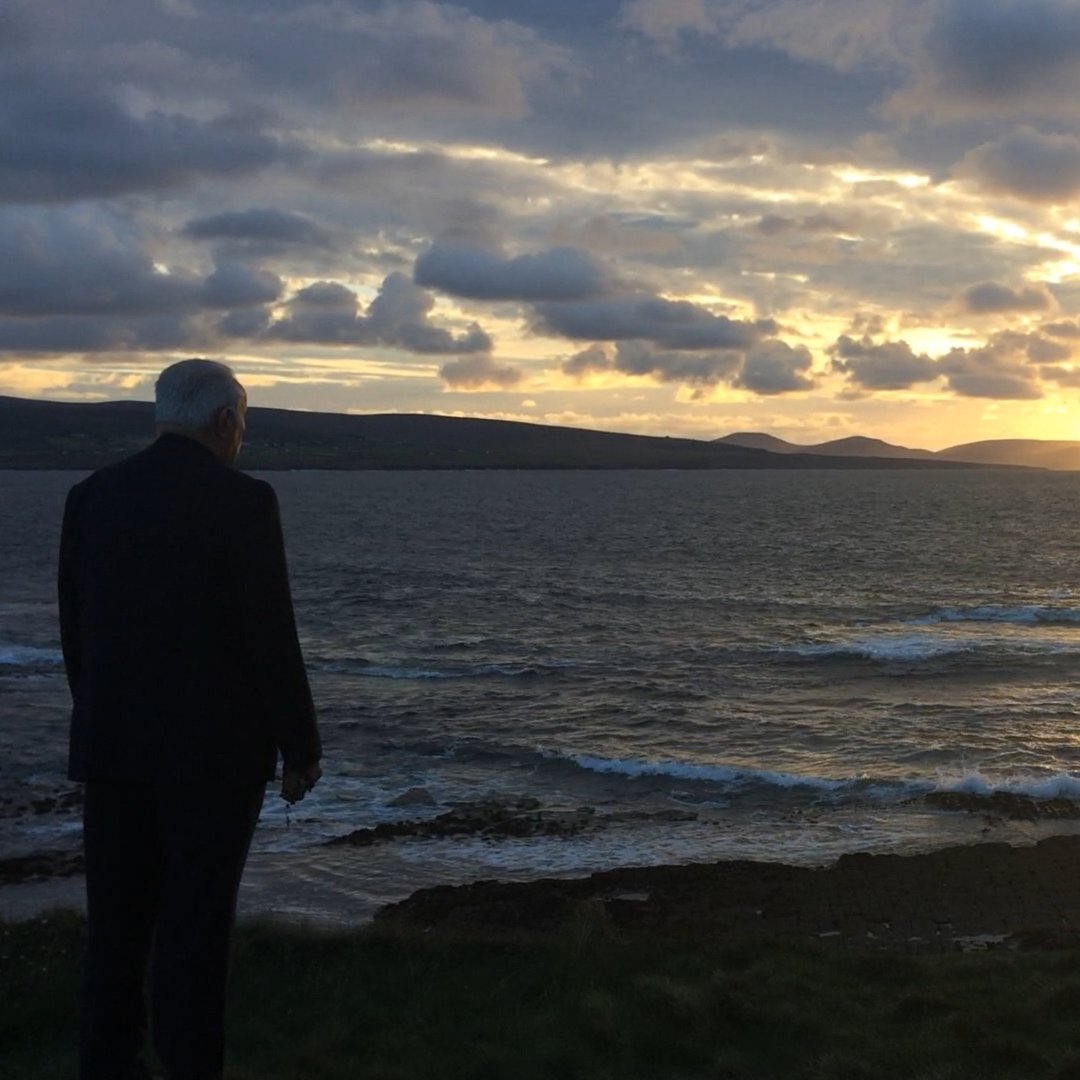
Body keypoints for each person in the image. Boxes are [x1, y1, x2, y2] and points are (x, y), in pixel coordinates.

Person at [58, 358, 323, 1080]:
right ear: (227, 422)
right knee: (194, 931)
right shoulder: (244, 502)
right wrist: (301, 747)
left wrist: (99, 715)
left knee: (114, 929)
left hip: (112, 748)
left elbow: (74, 631)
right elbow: (269, 633)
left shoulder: (91, 497)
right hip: (213, 761)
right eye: (243, 425)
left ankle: (107, 1067)